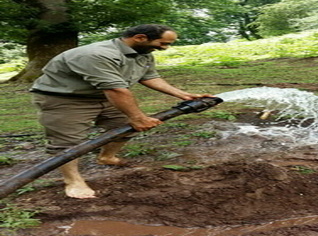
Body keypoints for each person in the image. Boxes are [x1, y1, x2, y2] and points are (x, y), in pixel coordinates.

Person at [30, 24, 213, 199]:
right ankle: (73, 181)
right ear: (140, 38)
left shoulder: (143, 53)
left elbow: (150, 77)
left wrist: (184, 95)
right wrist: (138, 117)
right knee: (67, 142)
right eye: (163, 43)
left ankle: (106, 157)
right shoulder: (97, 54)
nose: (165, 48)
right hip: (65, 99)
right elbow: (116, 90)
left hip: (103, 96)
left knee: (124, 127)